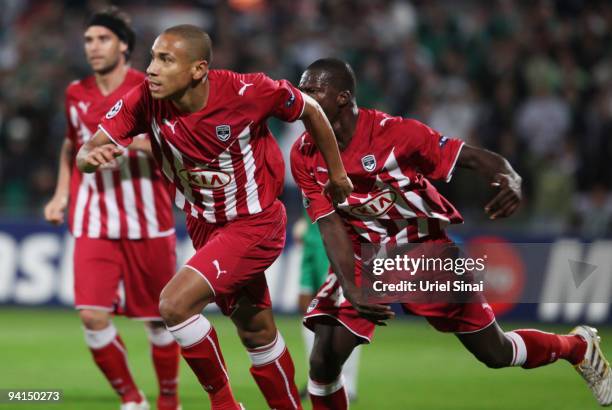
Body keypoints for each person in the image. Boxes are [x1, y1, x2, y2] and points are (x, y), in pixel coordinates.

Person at [290, 58, 612, 409]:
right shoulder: (304, 153)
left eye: (313, 90)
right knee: (323, 359)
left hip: (423, 251)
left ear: (342, 97)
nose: (302, 96)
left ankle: (576, 347)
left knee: (495, 351)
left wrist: (509, 176)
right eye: (301, 88)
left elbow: (471, 158)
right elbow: (330, 223)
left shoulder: (395, 134)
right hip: (363, 254)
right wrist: (351, 288)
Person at [75, 25, 353, 410]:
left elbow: (311, 108)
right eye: (153, 57)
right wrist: (92, 158)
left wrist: (337, 173)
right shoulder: (144, 100)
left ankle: (224, 404)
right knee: (256, 332)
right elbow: (87, 150)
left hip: (255, 223)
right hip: (205, 225)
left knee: (174, 305)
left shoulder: (247, 91)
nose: (152, 69)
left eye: (166, 60)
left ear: (198, 69)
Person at [44, 8, 180, 410]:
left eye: (103, 39)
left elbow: (177, 146)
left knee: (159, 320)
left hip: (149, 221)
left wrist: (131, 145)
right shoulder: (76, 92)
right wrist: (61, 195)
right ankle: (132, 398)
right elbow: (72, 145)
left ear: (123, 44)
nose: (94, 47)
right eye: (88, 40)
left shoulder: (152, 87)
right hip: (93, 219)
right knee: (91, 316)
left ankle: (169, 400)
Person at [293, 212, 361, 402]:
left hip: (335, 243)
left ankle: (347, 383)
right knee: (306, 308)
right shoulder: (308, 181)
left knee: (343, 313)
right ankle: (316, 376)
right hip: (311, 244)